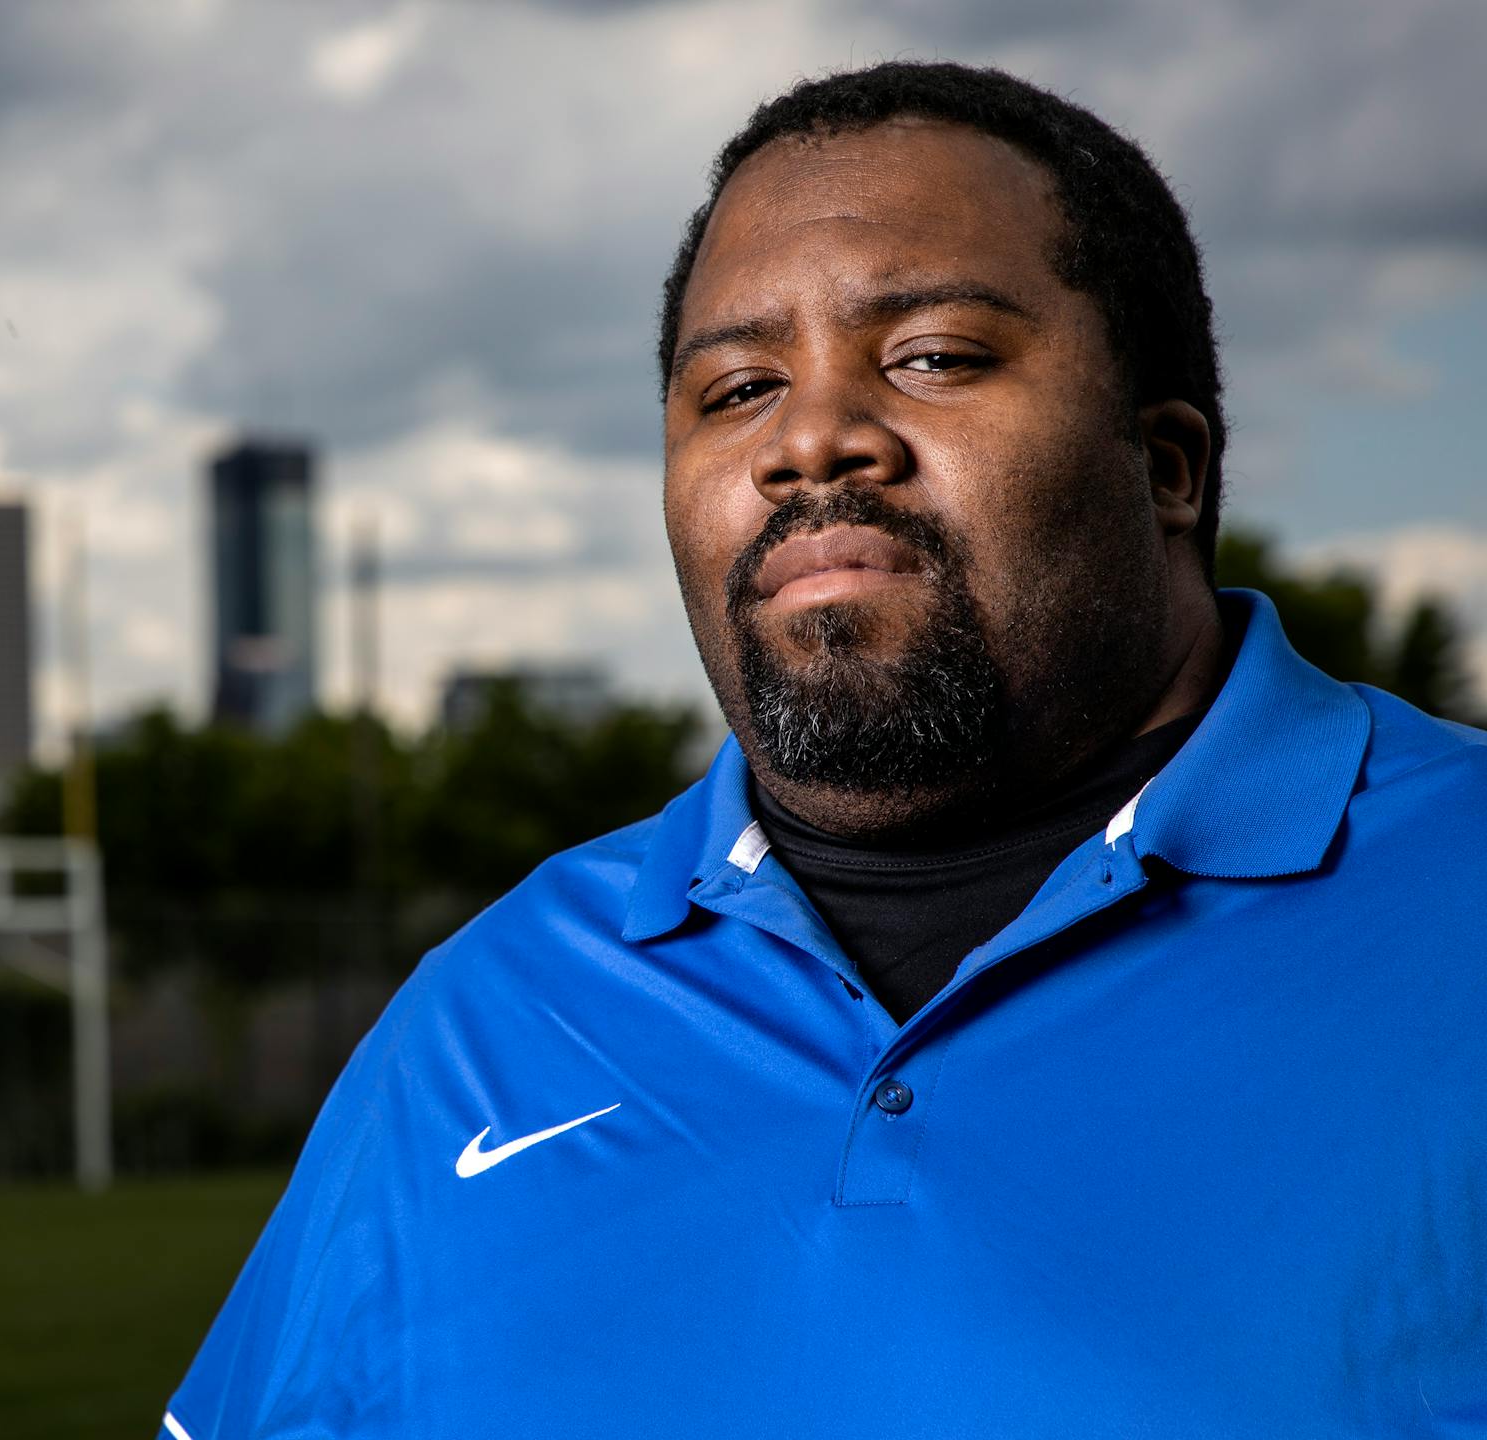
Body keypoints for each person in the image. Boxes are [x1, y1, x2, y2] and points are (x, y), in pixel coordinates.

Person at [159, 61, 1487, 1439]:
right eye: (734, 389)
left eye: (932, 357)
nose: (810, 440)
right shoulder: (484, 1017)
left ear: (1167, 466)